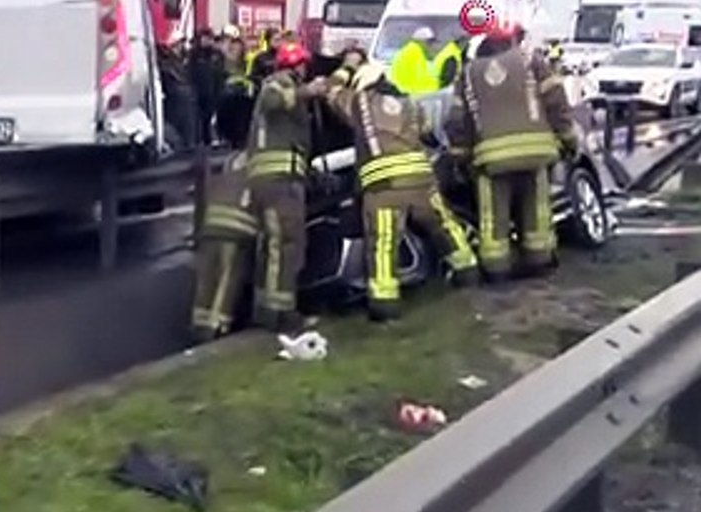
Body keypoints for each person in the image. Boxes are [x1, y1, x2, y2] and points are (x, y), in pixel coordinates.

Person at [326, 57, 478, 321]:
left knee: (384, 243)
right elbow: (427, 131)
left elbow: (331, 91)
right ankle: (468, 272)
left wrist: (345, 68)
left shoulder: (360, 101)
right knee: (444, 224)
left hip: (385, 186)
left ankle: (385, 305)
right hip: (421, 179)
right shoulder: (409, 104)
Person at [446, 22, 580, 282]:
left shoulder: (468, 73)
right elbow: (556, 102)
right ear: (510, 42)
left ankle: (497, 271)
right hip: (536, 153)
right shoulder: (531, 61)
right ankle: (539, 263)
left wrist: (460, 158)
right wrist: (568, 140)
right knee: (536, 213)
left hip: (490, 159)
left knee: (493, 220)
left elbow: (457, 121)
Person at [246, 41, 327, 332]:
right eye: (304, 65)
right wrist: (310, 91)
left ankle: (266, 309)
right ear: (297, 65)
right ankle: (282, 314)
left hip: (275, 178)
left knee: (272, 244)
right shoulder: (278, 82)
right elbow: (272, 100)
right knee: (287, 243)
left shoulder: (287, 85)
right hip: (279, 180)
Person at [190, 150, 259, 342]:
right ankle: (217, 325)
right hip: (236, 229)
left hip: (212, 224)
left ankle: (199, 322)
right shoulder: (262, 167)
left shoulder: (231, 160)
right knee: (229, 276)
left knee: (207, 275)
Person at [216, 25, 255, 148]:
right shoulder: (217, 61)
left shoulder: (248, 61)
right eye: (226, 41)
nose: (231, 46)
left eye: (234, 42)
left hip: (243, 102)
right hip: (225, 103)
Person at [187, 29, 225, 145]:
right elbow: (190, 73)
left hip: (214, 91)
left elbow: (221, 73)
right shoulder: (194, 54)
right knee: (200, 119)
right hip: (199, 92)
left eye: (209, 38)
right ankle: (200, 141)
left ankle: (214, 138)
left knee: (212, 117)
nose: (206, 41)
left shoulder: (217, 55)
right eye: (204, 38)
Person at [389, 26, 441, 96]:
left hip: (403, 92)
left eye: (431, 43)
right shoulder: (416, 53)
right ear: (420, 41)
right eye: (429, 42)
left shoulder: (407, 50)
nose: (431, 46)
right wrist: (438, 84)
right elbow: (421, 79)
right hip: (410, 93)